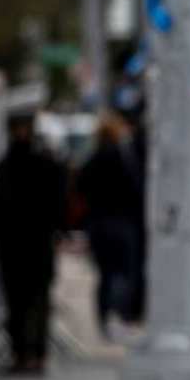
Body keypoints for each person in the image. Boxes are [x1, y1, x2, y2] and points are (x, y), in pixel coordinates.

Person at [0, 111, 67, 374]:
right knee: (19, 302)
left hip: (34, 244)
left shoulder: (39, 162)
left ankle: (34, 352)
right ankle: (22, 352)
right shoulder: (11, 163)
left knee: (35, 301)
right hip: (17, 245)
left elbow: (58, 202)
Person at [74, 113, 144, 336]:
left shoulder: (92, 158)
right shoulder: (122, 158)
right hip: (121, 221)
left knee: (104, 274)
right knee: (123, 272)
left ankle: (104, 319)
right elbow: (136, 187)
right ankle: (119, 315)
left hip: (98, 223)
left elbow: (79, 186)